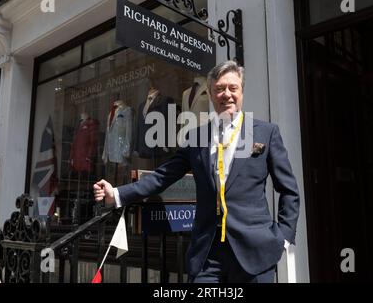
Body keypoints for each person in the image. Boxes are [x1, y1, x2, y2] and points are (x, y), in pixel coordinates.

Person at [93, 60, 300, 283]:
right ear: (211, 95)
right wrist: (116, 194)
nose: (226, 94)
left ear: (242, 92)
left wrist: (283, 237)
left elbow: (288, 190)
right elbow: (163, 175)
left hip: (254, 252)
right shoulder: (197, 137)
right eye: (219, 89)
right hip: (208, 255)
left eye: (233, 88)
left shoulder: (265, 133)